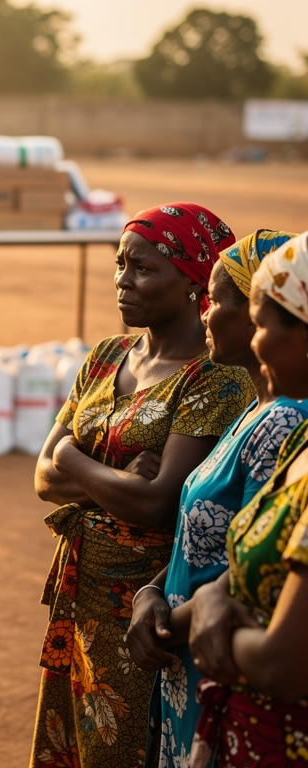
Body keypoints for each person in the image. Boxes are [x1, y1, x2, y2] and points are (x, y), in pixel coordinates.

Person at [30, 203, 255, 768]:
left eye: (144, 268)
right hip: (81, 596)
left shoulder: (216, 376)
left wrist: (72, 456)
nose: (122, 280)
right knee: (74, 743)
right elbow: (42, 478)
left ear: (194, 282)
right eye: (120, 264)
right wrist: (112, 479)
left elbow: (155, 504)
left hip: (145, 607)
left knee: (127, 745)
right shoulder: (106, 356)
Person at [123, 230, 308, 768]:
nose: (206, 313)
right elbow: (238, 542)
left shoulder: (285, 422)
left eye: (261, 321)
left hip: (244, 691)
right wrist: (153, 592)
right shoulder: (257, 412)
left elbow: (278, 653)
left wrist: (178, 619)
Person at [183, 231, 308, 768]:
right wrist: (210, 600)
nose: (255, 344)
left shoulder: (287, 425)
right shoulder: (302, 441)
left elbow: (284, 665)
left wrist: (205, 627)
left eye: (262, 325)